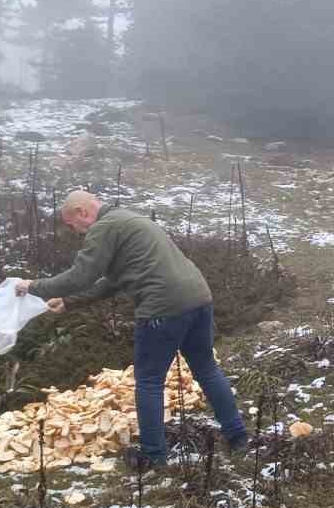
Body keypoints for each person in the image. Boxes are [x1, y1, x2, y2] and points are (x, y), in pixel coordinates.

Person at [16, 191, 248, 466]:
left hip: (162, 307)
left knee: (149, 381)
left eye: (70, 224)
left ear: (81, 212)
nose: (74, 231)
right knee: (207, 369)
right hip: (199, 299)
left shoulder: (103, 228)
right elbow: (113, 281)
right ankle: (238, 437)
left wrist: (32, 286)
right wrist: (68, 303)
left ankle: (153, 456)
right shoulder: (127, 220)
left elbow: (80, 276)